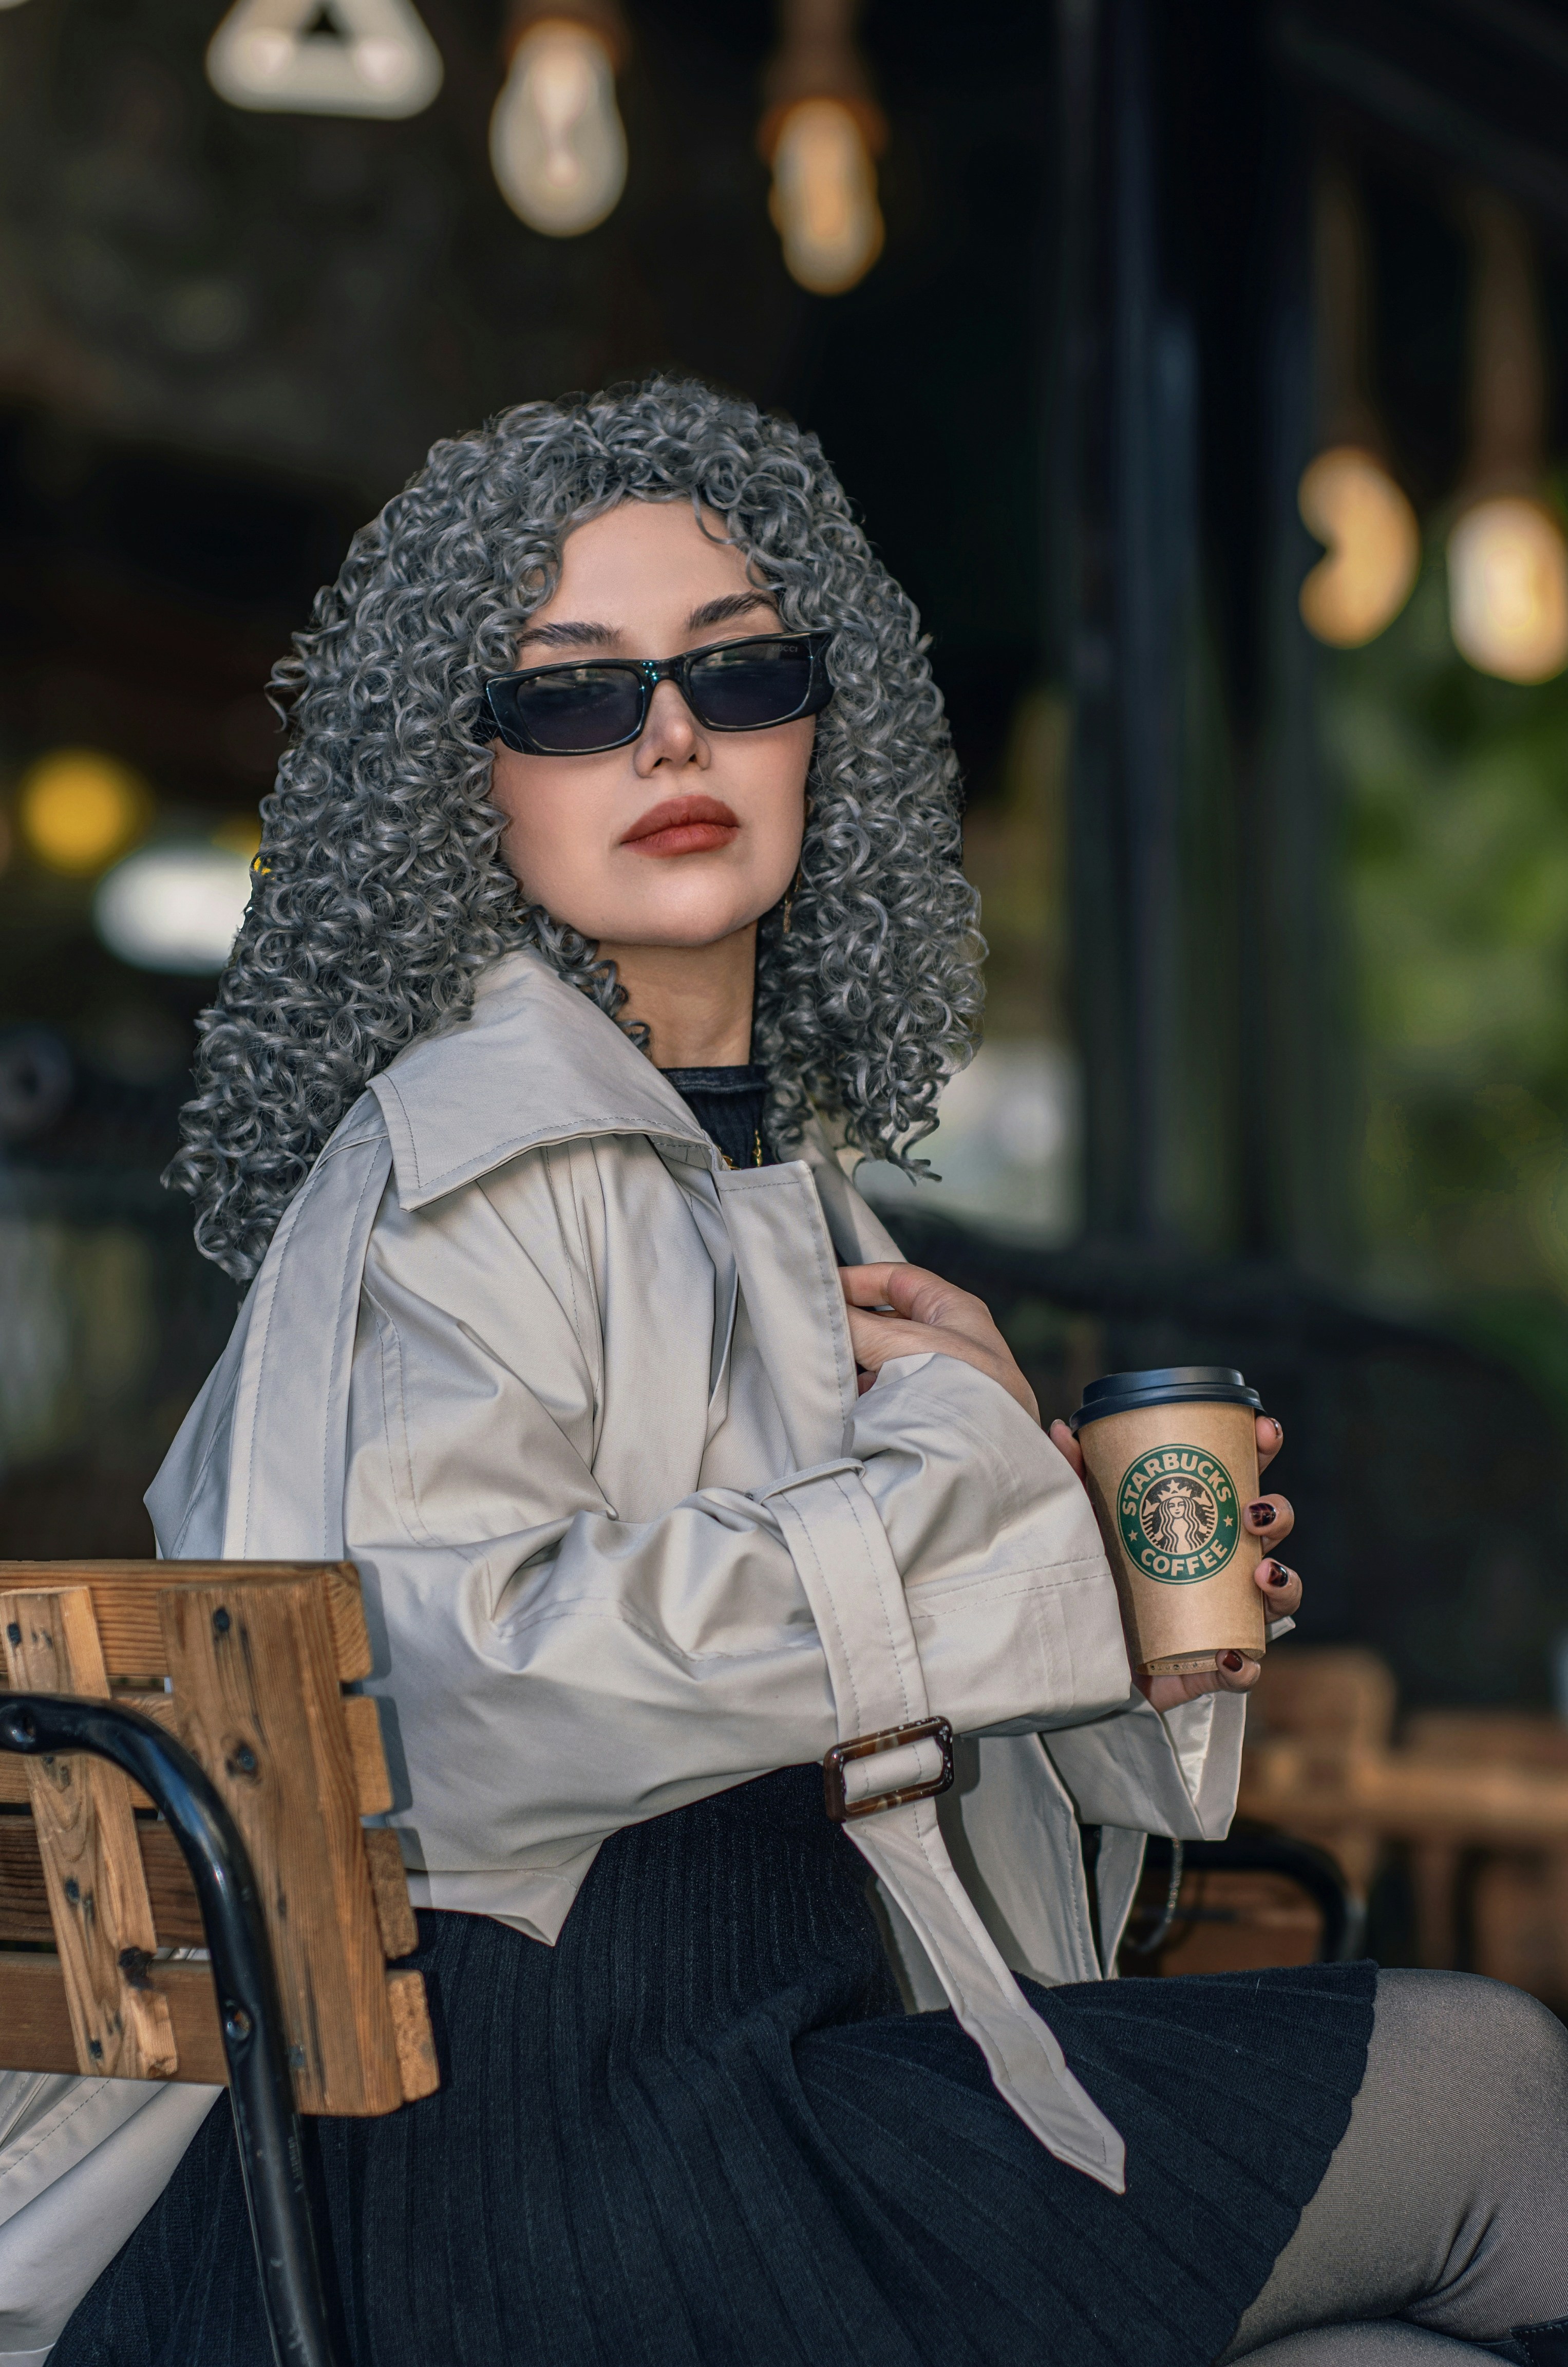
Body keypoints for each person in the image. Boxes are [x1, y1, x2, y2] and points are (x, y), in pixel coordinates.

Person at [20, 379, 1568, 2367]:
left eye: (734, 669)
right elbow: (447, 1684)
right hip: (533, 2171)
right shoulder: (472, 1156)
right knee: (1501, 2091)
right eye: (572, 693)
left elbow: (863, 1683)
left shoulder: (772, 1187)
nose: (667, 731)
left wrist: (1112, 1632)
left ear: (820, 727)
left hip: (726, 2102)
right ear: (462, 780)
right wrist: (957, 1468)